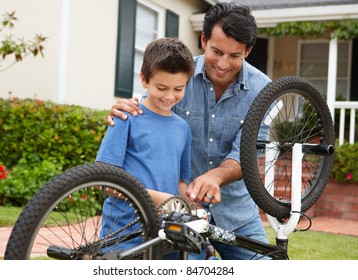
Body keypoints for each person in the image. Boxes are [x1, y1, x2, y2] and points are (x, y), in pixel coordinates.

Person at [108, 2, 271, 260]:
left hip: (235, 212)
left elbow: (249, 153)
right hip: (178, 212)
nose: (223, 64)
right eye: (217, 51)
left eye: (234, 56)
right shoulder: (178, 76)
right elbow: (148, 109)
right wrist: (125, 108)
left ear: (248, 51)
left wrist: (215, 176)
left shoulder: (264, 90)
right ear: (204, 40)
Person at [95, 37, 195, 256]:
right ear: (144, 80)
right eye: (161, 87)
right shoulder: (126, 117)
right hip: (123, 235)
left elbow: (179, 184)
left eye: (179, 88)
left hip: (165, 235)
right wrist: (161, 198)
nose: (169, 96)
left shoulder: (182, 129)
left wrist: (193, 206)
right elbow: (103, 180)